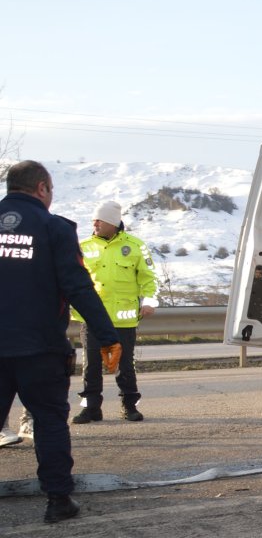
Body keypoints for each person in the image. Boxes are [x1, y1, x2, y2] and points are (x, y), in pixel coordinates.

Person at [0, 160, 121, 523]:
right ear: (42, 189)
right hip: (40, 348)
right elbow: (77, 286)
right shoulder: (54, 228)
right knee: (49, 421)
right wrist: (108, 336)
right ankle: (58, 501)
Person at [72, 200, 159, 424]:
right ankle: (91, 408)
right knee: (91, 365)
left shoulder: (135, 246)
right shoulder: (84, 246)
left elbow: (149, 277)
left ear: (113, 222)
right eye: (94, 220)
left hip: (124, 318)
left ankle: (129, 405)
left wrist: (149, 301)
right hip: (93, 318)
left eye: (100, 220)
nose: (95, 223)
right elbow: (73, 278)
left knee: (124, 366)